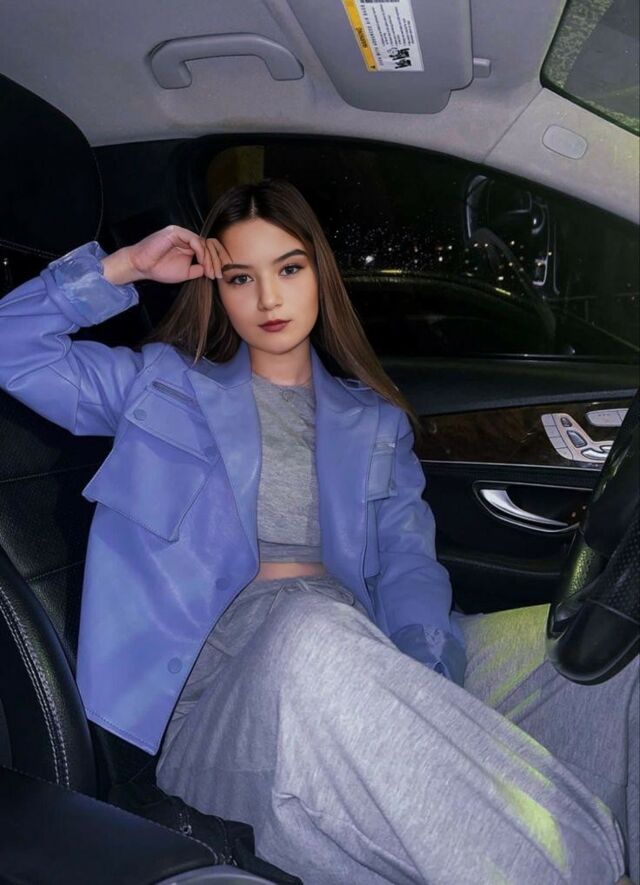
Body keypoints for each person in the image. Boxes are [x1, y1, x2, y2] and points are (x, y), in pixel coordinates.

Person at [0, 179, 636, 885]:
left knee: (610, 653)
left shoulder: (374, 419)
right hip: (222, 696)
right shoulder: (161, 386)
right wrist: (123, 267)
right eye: (242, 277)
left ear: (319, 275)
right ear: (217, 289)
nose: (269, 298)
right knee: (312, 633)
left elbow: (408, 565)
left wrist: (424, 674)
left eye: (289, 268)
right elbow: (10, 347)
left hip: (367, 649)